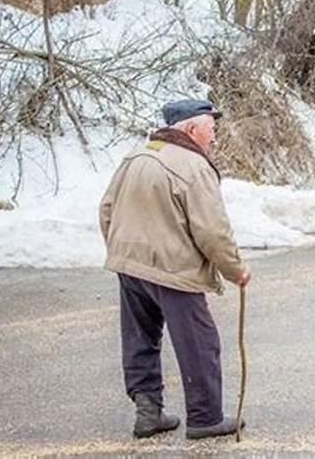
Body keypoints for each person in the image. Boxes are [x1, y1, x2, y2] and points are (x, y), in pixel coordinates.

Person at [99, 99, 251, 440]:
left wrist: (122, 249)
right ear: (192, 129)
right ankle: (205, 418)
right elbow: (212, 230)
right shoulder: (193, 166)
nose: (214, 138)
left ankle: (148, 413)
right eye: (211, 130)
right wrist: (235, 270)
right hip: (172, 268)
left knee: (141, 339)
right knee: (200, 342)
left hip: (129, 263)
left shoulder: (136, 156)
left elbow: (106, 208)